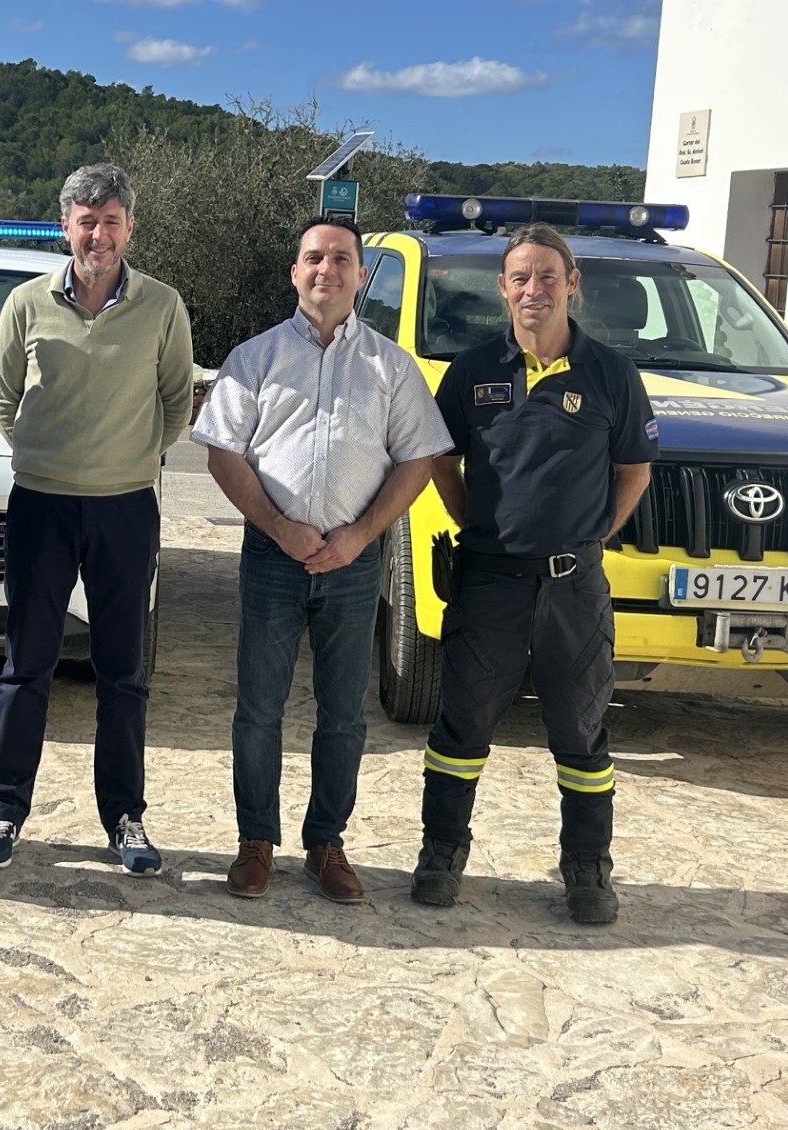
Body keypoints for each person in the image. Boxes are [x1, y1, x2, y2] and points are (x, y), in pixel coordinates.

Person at [195, 216, 448, 903]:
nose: (325, 270)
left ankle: (326, 844)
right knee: (259, 708)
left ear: (361, 275)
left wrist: (362, 534)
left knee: (342, 713)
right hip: (273, 558)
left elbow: (419, 457)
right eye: (313, 258)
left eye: (340, 259)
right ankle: (256, 843)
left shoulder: (392, 369)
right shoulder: (254, 358)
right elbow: (222, 452)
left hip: (353, 562)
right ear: (294, 272)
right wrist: (279, 527)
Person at [414, 223, 657, 924]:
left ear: (572, 283)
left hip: (572, 587)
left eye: (548, 276)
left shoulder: (612, 373)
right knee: (461, 729)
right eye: (520, 278)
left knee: (581, 733)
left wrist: (589, 536)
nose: (534, 290)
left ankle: (587, 868)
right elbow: (440, 462)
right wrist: (481, 530)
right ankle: (440, 853)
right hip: (489, 580)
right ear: (502, 288)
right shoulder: (472, 370)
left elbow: (633, 471)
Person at [0, 162, 195, 875]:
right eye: (85, 220)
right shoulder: (26, 303)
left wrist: (124, 462)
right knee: (26, 664)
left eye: (110, 221)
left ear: (129, 227)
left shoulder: (162, 306)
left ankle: (124, 816)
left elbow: (176, 402)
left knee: (122, 670)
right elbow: (3, 399)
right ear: (65, 225)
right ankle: (6, 806)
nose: (98, 234)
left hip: (125, 507)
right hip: (40, 503)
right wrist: (48, 458)